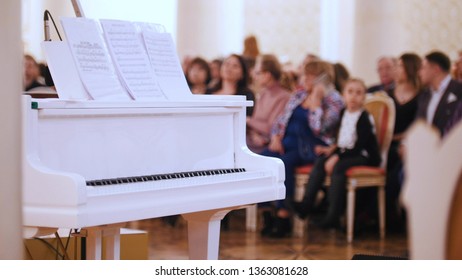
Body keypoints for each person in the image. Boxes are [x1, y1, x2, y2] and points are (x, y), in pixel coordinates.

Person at [260, 60, 344, 237]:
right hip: (286, 142)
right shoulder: (299, 95)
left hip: (310, 148)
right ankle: (267, 212)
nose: (304, 78)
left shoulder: (334, 99)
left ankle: (283, 216)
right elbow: (281, 120)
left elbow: (319, 128)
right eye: (305, 74)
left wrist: (316, 102)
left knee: (283, 165)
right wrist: (275, 136)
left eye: (310, 75)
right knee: (261, 161)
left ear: (323, 78)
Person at [293, 78, 381, 229]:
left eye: (358, 93)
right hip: (346, 152)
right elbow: (342, 140)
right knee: (320, 161)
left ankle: (333, 215)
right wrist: (331, 150)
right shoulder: (344, 113)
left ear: (364, 97)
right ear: (343, 95)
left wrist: (336, 157)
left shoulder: (364, 118)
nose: (354, 96)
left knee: (339, 167)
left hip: (363, 155)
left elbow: (358, 146)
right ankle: (306, 205)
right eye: (350, 92)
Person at [385, 53, 422, 230]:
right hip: (386, 143)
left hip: (410, 144)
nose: (396, 69)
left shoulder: (422, 95)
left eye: (400, 66)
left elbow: (419, 124)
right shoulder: (387, 94)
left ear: (410, 68)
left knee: (400, 166)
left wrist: (402, 139)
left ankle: (399, 214)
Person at [246, 54, 291, 153]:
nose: (254, 76)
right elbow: (256, 121)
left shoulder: (284, 97)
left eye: (257, 73)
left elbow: (271, 128)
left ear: (267, 75)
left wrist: (248, 120)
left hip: (267, 146)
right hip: (254, 141)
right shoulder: (263, 93)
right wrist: (254, 134)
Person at [416, 51, 462, 136]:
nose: (419, 73)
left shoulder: (459, 91)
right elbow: (419, 125)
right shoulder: (424, 95)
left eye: (423, 68)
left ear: (436, 69)